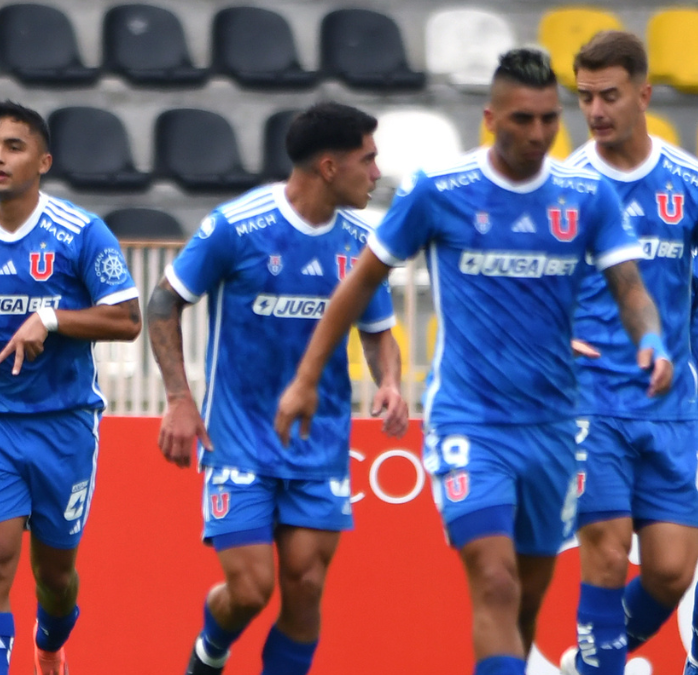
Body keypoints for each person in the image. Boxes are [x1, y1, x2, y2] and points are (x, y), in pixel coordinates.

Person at [274, 48, 671, 675]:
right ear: (491, 119)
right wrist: (304, 380)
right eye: (522, 119)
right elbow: (360, 283)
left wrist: (650, 338)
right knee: (494, 578)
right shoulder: (441, 191)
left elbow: (629, 286)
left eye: (547, 119)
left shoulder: (586, 196)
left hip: (552, 428)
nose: (537, 133)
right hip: (470, 422)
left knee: (527, 599)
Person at [146, 102, 408, 675]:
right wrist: (179, 400)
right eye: (368, 159)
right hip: (239, 440)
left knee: (306, 588)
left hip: (320, 444)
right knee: (250, 590)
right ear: (330, 166)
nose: (377, 172)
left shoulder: (365, 241)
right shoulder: (237, 226)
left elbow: (377, 329)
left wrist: (389, 380)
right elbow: (162, 303)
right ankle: (208, 655)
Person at [0, 100, 141, 675]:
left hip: (64, 423)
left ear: (43, 160)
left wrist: (52, 319)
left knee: (55, 578)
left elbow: (127, 319)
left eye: (13, 146)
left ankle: (50, 642)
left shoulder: (80, 233)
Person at [553, 31, 698, 675]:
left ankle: (590, 664)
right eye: (585, 97)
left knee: (669, 573)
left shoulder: (687, 182)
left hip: (671, 407)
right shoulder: (565, 187)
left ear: (643, 93)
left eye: (609, 95)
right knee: (608, 559)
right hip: (592, 400)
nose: (596, 111)